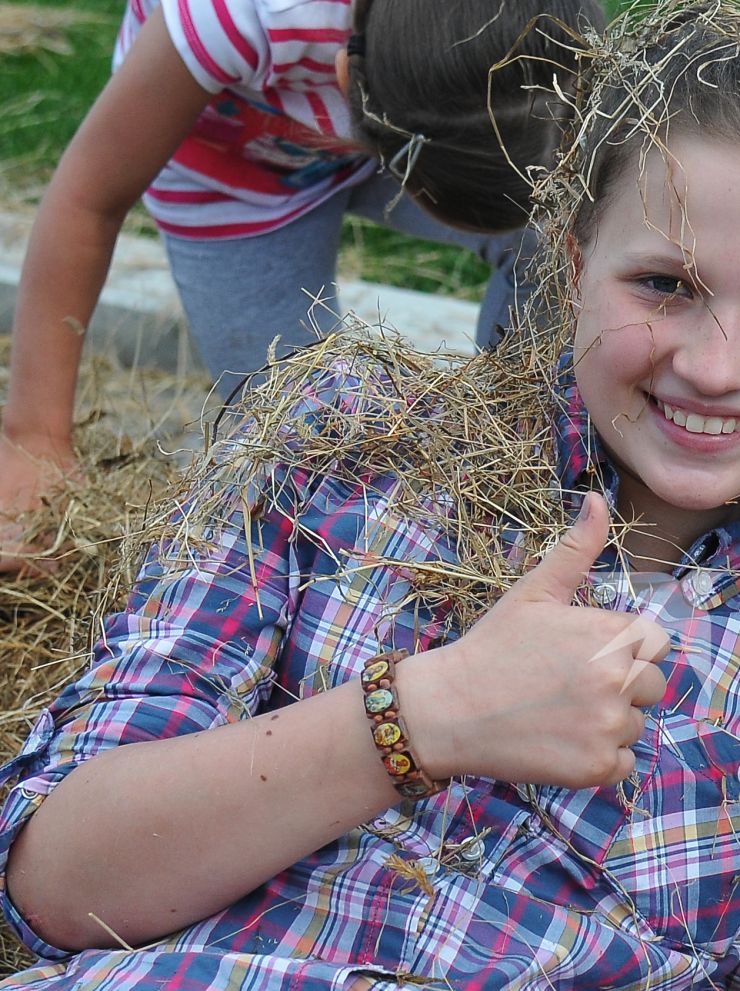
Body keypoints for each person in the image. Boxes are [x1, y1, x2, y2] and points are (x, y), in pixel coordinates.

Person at [0, 4, 740, 991]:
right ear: (564, 249)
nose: (717, 365)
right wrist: (421, 717)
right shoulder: (339, 441)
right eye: (664, 285)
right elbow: (59, 884)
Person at [0, 0, 607, 574]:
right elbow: (87, 199)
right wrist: (36, 438)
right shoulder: (240, 14)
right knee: (294, 446)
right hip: (233, 172)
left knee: (559, 236)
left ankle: (529, 455)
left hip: (417, 124)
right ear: (350, 83)